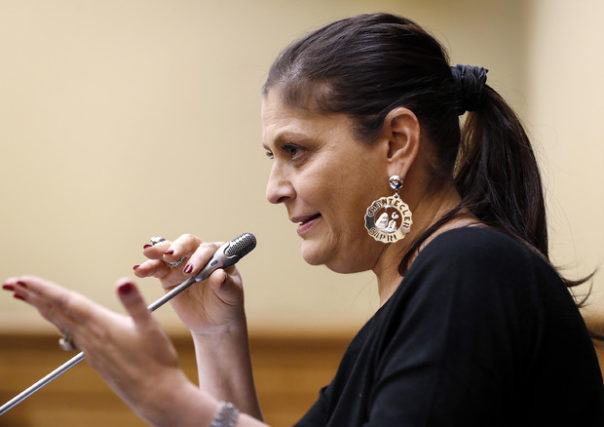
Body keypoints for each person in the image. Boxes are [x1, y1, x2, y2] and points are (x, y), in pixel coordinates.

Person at [3, 12, 604, 426]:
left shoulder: (471, 270)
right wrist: (215, 334)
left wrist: (167, 398)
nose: (273, 190)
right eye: (272, 156)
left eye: (295, 150)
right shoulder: (439, 280)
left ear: (396, 142)